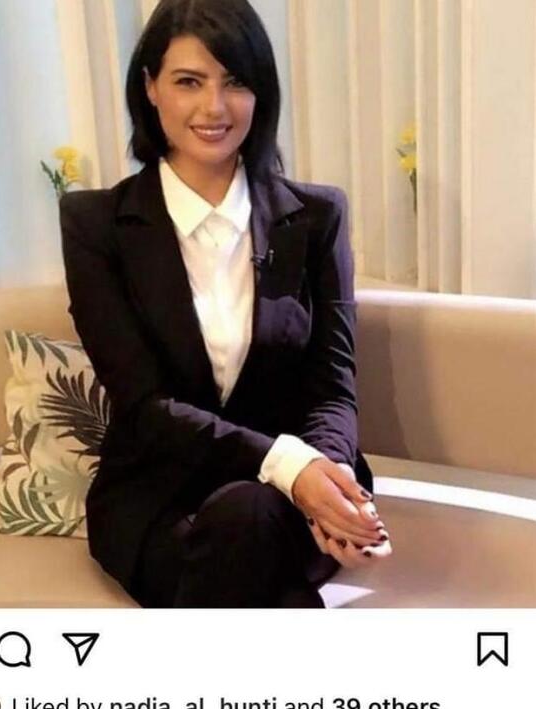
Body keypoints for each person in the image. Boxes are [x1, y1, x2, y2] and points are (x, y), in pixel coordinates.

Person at [60, 0, 391, 608]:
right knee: (245, 529)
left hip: (292, 500)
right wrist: (289, 467)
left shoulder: (316, 218)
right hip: (159, 497)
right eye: (189, 81)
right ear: (150, 87)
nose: (214, 107)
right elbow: (143, 406)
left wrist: (330, 480)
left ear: (260, 93)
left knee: (249, 519)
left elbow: (332, 385)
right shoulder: (96, 225)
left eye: (235, 81)